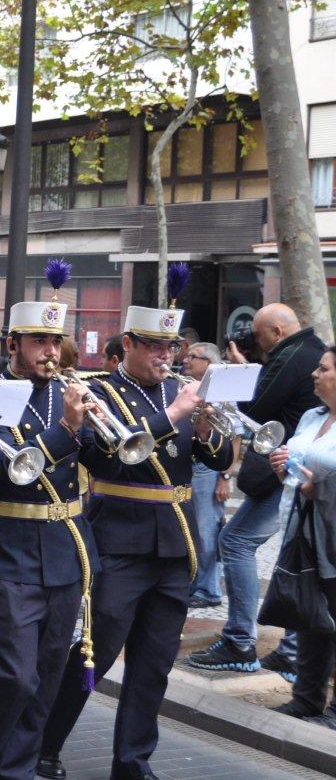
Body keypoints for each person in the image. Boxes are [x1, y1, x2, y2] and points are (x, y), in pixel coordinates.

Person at [38, 266, 232, 780]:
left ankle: (133, 761)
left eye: (171, 348)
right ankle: (45, 745)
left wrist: (208, 423)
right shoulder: (99, 389)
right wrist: (174, 416)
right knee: (91, 658)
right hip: (119, 540)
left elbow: (220, 454)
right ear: (127, 343)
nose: (166, 357)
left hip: (176, 543)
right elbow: (108, 455)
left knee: (153, 665)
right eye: (154, 347)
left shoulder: (184, 393)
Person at [0, 262, 99, 780]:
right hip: (9, 551)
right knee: (15, 673)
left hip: (65, 553)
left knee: (49, 677)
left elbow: (106, 460)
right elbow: (13, 472)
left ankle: (15, 770)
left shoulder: (74, 391)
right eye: (38, 342)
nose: (50, 352)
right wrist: (66, 433)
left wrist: (94, 429)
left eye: (56, 341)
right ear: (13, 344)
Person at [191, 302, 323, 673]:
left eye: (261, 336)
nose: (258, 342)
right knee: (297, 555)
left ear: (277, 333)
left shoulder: (290, 356)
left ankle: (240, 641)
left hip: (286, 471)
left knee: (235, 541)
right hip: (294, 471)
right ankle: (292, 647)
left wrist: (238, 374)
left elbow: (258, 406)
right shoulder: (308, 350)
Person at [269, 346, 336, 727]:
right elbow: (298, 464)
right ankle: (307, 700)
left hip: (334, 534)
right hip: (305, 531)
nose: (314, 373)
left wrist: (317, 490)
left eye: (323, 369)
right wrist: (283, 468)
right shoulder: (311, 415)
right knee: (312, 618)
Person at [182, 342, 233, 608]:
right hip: (190, 464)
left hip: (209, 468)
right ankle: (194, 584)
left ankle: (209, 589)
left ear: (209, 363)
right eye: (187, 355)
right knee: (192, 529)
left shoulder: (221, 389)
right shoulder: (185, 387)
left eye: (194, 356)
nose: (186, 359)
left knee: (206, 530)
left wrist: (225, 477)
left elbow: (234, 435)